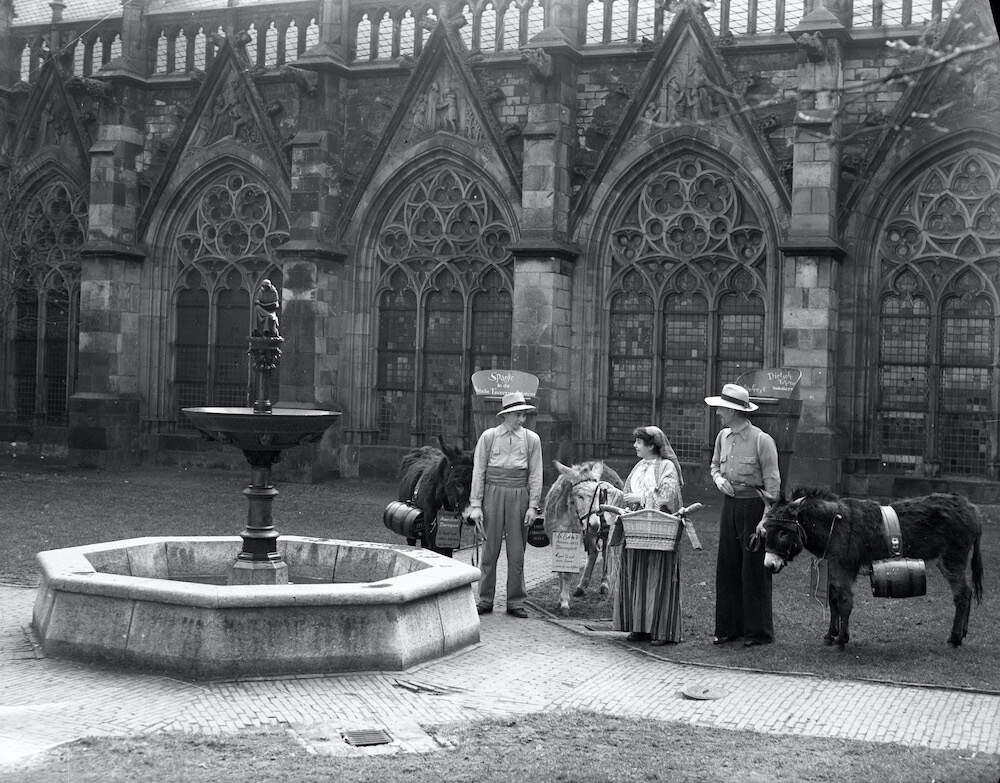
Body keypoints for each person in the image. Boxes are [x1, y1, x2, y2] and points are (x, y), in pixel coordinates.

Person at [705, 382, 780, 647]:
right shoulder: (722, 438)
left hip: (755, 509)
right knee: (727, 566)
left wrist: (765, 520)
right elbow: (714, 466)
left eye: (721, 409)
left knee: (754, 570)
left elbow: (773, 486)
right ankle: (728, 629)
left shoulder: (762, 441)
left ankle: (757, 632)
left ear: (734, 411)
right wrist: (717, 480)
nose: (717, 414)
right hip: (731, 507)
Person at [468, 391, 543, 618]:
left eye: (524, 415)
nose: (522, 420)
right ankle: (485, 598)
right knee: (490, 550)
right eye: (519, 415)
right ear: (507, 415)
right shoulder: (489, 437)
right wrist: (476, 505)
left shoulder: (532, 439)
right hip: (492, 493)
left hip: (519, 494)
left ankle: (515, 601)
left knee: (517, 550)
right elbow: (478, 471)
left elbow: (536, 474)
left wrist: (532, 506)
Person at [611, 426, 685, 645]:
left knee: (657, 575)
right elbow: (627, 493)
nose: (635, 445)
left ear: (651, 445)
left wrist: (641, 498)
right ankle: (639, 626)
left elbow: (668, 495)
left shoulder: (667, 467)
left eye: (639, 442)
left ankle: (661, 630)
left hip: (659, 529)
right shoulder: (639, 466)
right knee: (637, 573)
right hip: (636, 529)